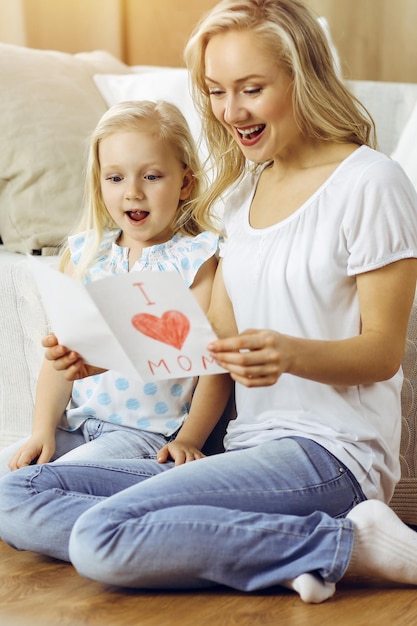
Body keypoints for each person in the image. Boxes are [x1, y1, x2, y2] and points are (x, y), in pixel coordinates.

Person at [1, 0, 417, 604]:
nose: (230, 112)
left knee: (101, 537)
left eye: (250, 89)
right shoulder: (243, 193)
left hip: (330, 454)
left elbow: (381, 353)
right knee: (17, 493)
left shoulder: (371, 182)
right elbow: (209, 344)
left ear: (303, 78)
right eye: (216, 91)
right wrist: (107, 353)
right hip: (243, 448)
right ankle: (281, 547)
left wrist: (289, 355)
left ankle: (351, 548)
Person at [0, 99, 226, 476]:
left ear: (185, 182)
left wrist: (190, 439)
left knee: (44, 483)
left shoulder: (197, 259)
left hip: (144, 437)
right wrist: (42, 431)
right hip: (78, 425)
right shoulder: (87, 253)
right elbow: (62, 358)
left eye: (151, 176)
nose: (133, 192)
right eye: (116, 178)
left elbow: (213, 367)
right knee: (8, 477)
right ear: (100, 181)